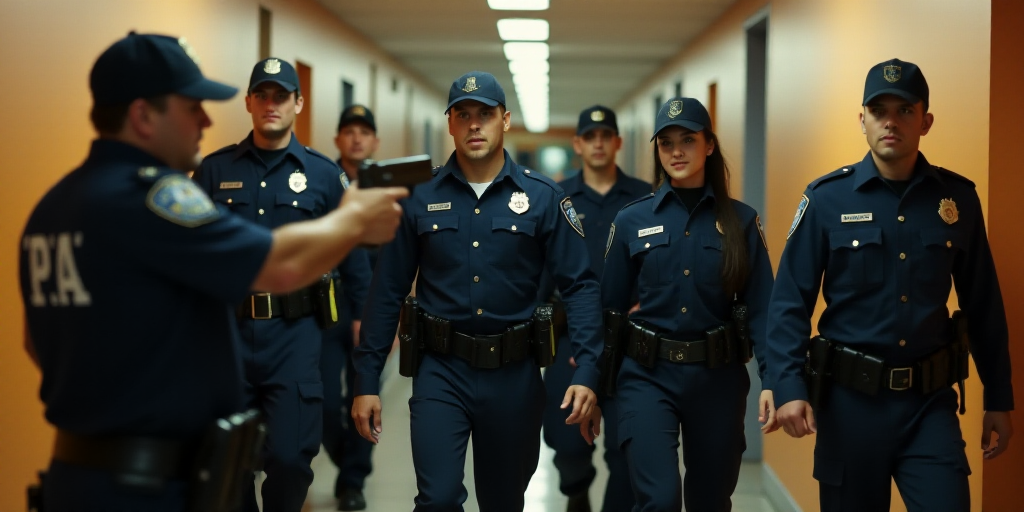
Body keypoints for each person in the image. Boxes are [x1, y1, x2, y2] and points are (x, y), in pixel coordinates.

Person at [17, 32, 406, 512]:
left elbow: (36, 343)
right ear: (142, 115)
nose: (204, 120)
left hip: (73, 474)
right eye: (191, 106)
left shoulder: (53, 208)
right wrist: (353, 220)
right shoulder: (151, 201)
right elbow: (274, 265)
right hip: (141, 484)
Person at [767, 58, 1014, 512]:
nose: (890, 121)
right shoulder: (825, 199)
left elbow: (983, 303)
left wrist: (998, 396)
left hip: (929, 406)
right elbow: (788, 302)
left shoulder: (957, 199)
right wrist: (787, 385)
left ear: (926, 121)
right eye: (878, 110)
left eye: (904, 110)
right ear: (861, 119)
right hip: (849, 406)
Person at [351, 71, 603, 512]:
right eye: (462, 114)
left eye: (484, 114)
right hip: (440, 371)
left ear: (504, 120)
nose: (473, 124)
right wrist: (366, 379)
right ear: (449, 123)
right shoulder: (419, 194)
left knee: (503, 501)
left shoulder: (543, 197)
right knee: (438, 498)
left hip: (515, 374)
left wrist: (587, 371)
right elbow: (388, 288)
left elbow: (580, 286)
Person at [192, 57, 373, 512]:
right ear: (250, 102)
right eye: (263, 95)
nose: (271, 104)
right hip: (226, 335)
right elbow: (192, 256)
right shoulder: (214, 172)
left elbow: (352, 257)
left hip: (295, 334)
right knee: (229, 461)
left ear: (298, 103)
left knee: (290, 459)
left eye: (281, 96)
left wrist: (364, 324)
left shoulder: (323, 175)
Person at [601, 97, 777, 512]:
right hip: (646, 376)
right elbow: (608, 311)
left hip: (717, 379)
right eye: (666, 143)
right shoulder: (631, 220)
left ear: (709, 145)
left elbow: (764, 309)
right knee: (659, 500)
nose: (676, 151)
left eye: (688, 140)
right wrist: (592, 384)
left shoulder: (742, 221)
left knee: (710, 501)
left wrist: (775, 380)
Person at [538, 105, 650, 512]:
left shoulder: (645, 197)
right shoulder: (556, 197)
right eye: (591, 136)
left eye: (606, 135)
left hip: (632, 344)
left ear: (618, 142)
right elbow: (542, 272)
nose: (599, 143)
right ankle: (576, 490)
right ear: (578, 144)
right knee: (566, 440)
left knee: (626, 448)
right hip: (573, 338)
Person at [320, 104, 381, 511]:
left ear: (374, 141)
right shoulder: (321, 180)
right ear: (338, 139)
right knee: (324, 398)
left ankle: (353, 480)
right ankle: (347, 460)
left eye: (364, 131)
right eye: (349, 131)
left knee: (363, 395)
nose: (357, 137)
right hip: (328, 305)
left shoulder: (388, 185)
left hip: (375, 304)